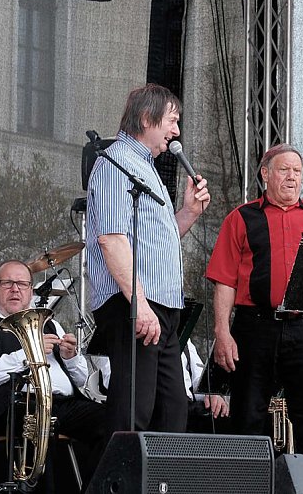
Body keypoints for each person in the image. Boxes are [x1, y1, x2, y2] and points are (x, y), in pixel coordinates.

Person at [86, 83, 211, 437]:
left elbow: (154, 241)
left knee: (172, 411)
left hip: (163, 308)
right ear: (145, 118)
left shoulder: (146, 167)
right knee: (133, 413)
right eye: (171, 121)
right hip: (136, 305)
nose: (176, 131)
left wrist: (187, 212)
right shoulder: (116, 163)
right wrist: (139, 304)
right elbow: (111, 239)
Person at [207, 143, 303, 457]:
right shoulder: (241, 218)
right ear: (265, 174)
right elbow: (224, 280)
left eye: (297, 171)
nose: (292, 177)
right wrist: (222, 332)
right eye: (284, 170)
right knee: (247, 417)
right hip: (255, 326)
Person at [0, 260, 106, 490]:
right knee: (40, 424)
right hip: (12, 407)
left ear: (31, 290)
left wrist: (70, 358)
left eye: (22, 284)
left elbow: (81, 381)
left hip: (62, 404)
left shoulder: (50, 324)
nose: (15, 289)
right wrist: (29, 353)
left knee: (114, 422)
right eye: (7, 283)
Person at [181, 340, 230, 434]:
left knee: (219, 411)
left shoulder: (186, 342)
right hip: (167, 402)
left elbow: (198, 375)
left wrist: (211, 392)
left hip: (189, 406)